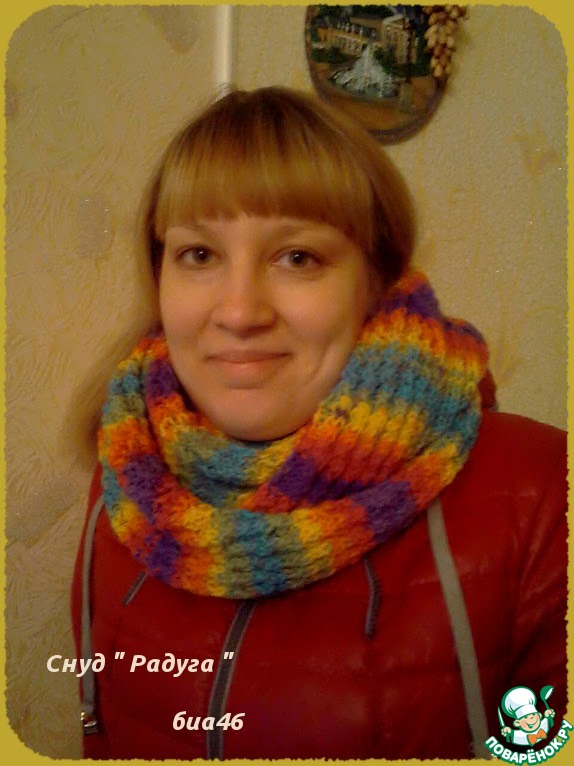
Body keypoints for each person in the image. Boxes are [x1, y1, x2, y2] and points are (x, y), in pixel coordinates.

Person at [71, 86, 567, 760]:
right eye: (199, 255)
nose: (239, 312)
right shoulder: (126, 471)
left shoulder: (543, 498)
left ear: (375, 279)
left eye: (298, 257)